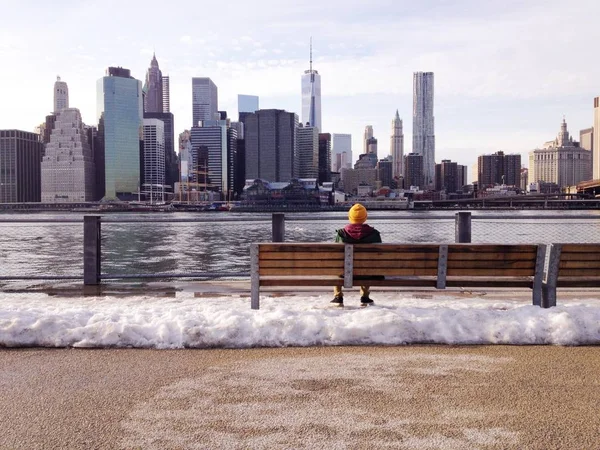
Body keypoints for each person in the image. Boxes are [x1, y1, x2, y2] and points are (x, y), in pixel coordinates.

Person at [331, 203, 382, 307]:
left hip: (344, 273)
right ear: (365, 217)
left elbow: (335, 256)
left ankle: (338, 297)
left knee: (337, 266)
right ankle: (365, 297)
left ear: (350, 217)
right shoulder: (374, 234)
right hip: (367, 273)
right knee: (368, 265)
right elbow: (379, 256)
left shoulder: (341, 234)